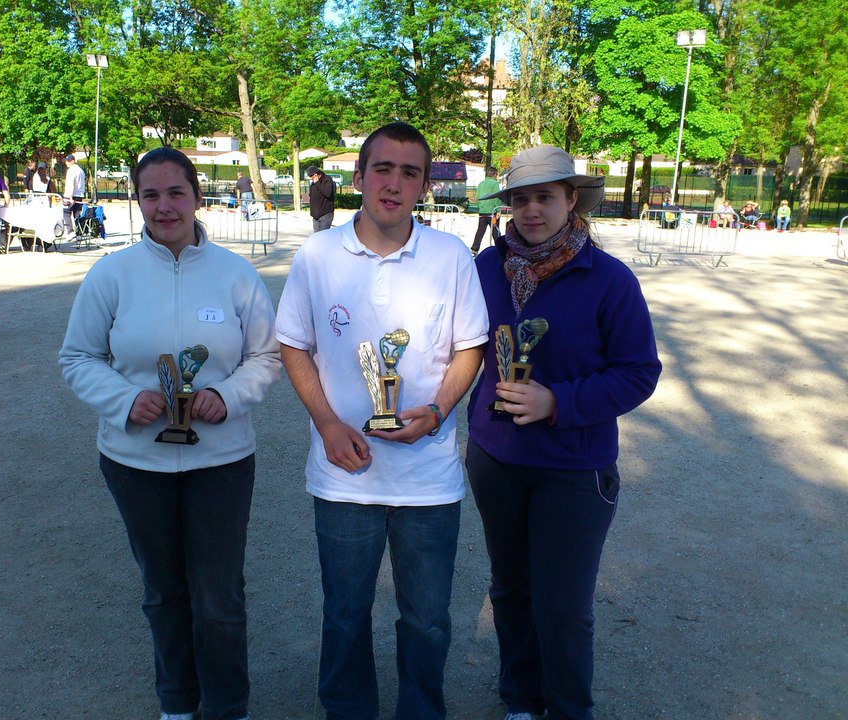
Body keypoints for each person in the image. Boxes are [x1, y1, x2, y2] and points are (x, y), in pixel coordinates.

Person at [275, 121, 489, 720]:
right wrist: (326, 423)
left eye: (410, 172)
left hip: (428, 479)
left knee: (426, 619)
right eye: (383, 169)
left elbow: (470, 345)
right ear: (359, 177)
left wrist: (440, 409)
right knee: (344, 611)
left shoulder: (449, 256)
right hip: (345, 473)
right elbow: (293, 343)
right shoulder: (318, 256)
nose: (394, 183)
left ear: (424, 185)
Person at [58, 146, 281, 720]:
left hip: (222, 464)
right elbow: (79, 357)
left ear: (197, 197)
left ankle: (228, 706)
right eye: (150, 194)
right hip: (135, 465)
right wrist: (126, 399)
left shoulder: (236, 275)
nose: (164, 206)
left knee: (219, 599)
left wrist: (226, 397)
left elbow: (266, 356)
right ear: (138, 201)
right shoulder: (111, 274)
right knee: (163, 592)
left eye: (175, 192)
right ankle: (178, 703)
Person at [465, 145, 662, 720]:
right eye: (520, 198)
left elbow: (638, 372)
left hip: (574, 467)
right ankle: (521, 701)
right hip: (496, 459)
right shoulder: (483, 270)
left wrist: (559, 401)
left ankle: (568, 708)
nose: (531, 210)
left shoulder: (609, 279)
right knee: (511, 591)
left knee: (564, 605)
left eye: (545, 197)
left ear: (571, 200)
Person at [471, 166, 502, 256]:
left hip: (482, 212)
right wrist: (498, 209)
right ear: (494, 174)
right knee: (495, 230)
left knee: (480, 231)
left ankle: (474, 249)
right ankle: (500, 248)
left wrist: (479, 206)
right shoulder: (494, 183)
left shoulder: (481, 183)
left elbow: (477, 197)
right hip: (492, 212)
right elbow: (496, 196)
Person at [305, 165, 335, 232]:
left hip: (325, 214)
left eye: (311, 176)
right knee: (316, 237)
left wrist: (317, 183)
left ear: (315, 175)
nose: (310, 178)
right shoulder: (313, 183)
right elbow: (311, 195)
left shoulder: (327, 179)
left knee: (323, 237)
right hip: (315, 215)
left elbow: (328, 193)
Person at [62, 154, 86, 235]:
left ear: (72, 161)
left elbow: (70, 184)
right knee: (77, 214)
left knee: (66, 213)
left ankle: (70, 231)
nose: (66, 163)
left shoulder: (71, 170)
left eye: (67, 161)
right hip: (79, 195)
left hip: (70, 195)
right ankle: (79, 233)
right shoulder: (80, 170)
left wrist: (70, 196)